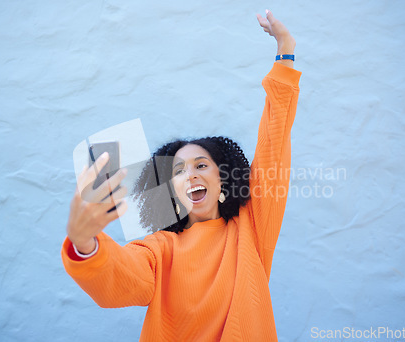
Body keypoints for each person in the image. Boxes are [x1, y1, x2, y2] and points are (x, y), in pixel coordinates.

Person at [62, 9, 301, 341]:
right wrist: (84, 243)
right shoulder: (160, 248)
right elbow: (120, 278)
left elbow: (274, 141)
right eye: (178, 171)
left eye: (201, 165)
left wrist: (285, 50)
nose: (190, 175)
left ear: (224, 179)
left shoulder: (251, 228)